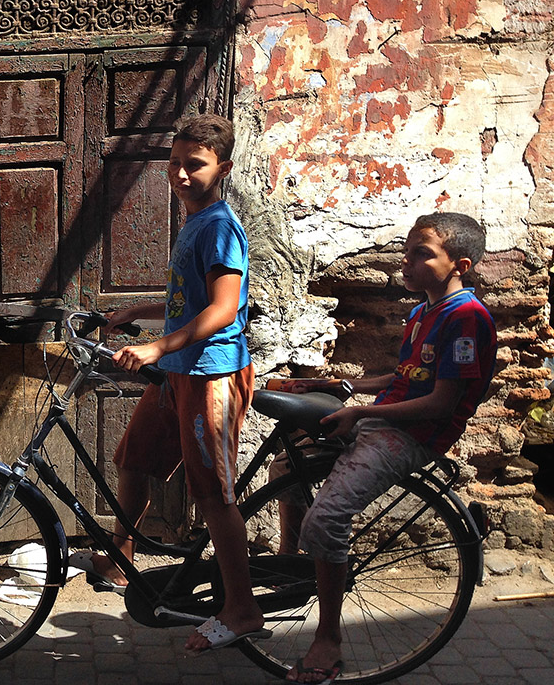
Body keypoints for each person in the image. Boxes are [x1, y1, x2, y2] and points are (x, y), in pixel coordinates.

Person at [282, 212, 497, 685]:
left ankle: (329, 638)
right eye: (408, 249)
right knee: (286, 464)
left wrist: (360, 413)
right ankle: (291, 569)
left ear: (460, 265)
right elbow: (402, 379)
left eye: (422, 253)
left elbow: (441, 401)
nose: (407, 260)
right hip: (383, 421)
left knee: (327, 518)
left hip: (412, 435)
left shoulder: (466, 318)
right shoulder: (423, 311)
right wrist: (337, 384)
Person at [88, 113, 266, 652]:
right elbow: (186, 300)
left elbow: (224, 309)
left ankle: (241, 609)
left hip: (211, 374)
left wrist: (157, 346)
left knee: (214, 497)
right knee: (134, 457)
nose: (182, 174)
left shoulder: (218, 226)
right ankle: (122, 561)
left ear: (223, 168)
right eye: (175, 164)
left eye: (195, 165)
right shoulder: (193, 221)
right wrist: (137, 311)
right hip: (179, 372)